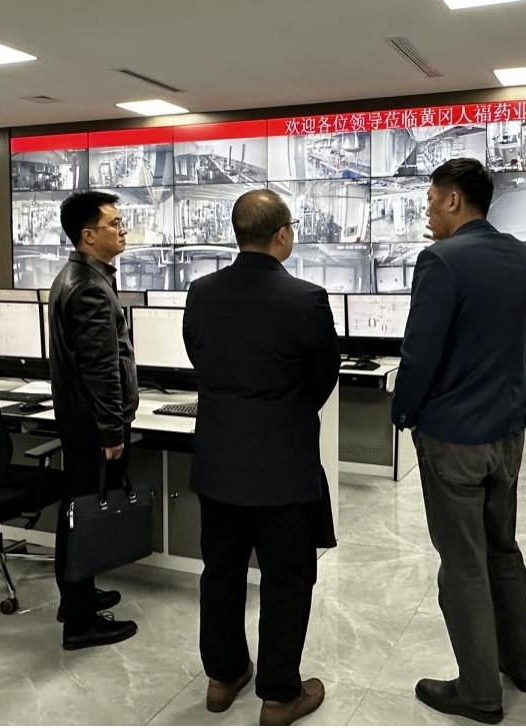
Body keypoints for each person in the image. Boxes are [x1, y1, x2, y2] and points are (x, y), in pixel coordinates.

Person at [391, 158, 526, 725]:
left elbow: (420, 353)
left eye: (431, 200)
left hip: (454, 436)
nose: (427, 212)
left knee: (463, 565)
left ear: (453, 200)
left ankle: (480, 693)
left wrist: (403, 411)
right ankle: (522, 665)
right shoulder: (521, 256)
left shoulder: (441, 260)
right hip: (507, 432)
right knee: (502, 548)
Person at [182, 189, 339, 726]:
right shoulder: (307, 299)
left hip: (218, 460)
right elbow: (323, 378)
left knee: (221, 573)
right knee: (286, 580)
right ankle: (278, 695)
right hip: (283, 465)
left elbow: (199, 359)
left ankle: (222, 677)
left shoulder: (201, 293)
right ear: (282, 234)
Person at [47, 190, 139, 650]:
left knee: (76, 511)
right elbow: (101, 367)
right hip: (92, 424)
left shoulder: (78, 276)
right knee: (83, 516)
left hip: (78, 419)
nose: (123, 230)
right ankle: (81, 622)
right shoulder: (87, 287)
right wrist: (112, 429)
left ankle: (76, 597)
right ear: (88, 235)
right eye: (114, 224)